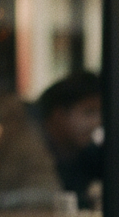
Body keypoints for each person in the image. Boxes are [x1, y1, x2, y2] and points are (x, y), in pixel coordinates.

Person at [36, 71, 103, 208]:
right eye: (89, 112)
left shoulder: (90, 156)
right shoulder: (32, 154)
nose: (96, 122)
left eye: (100, 113)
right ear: (58, 114)